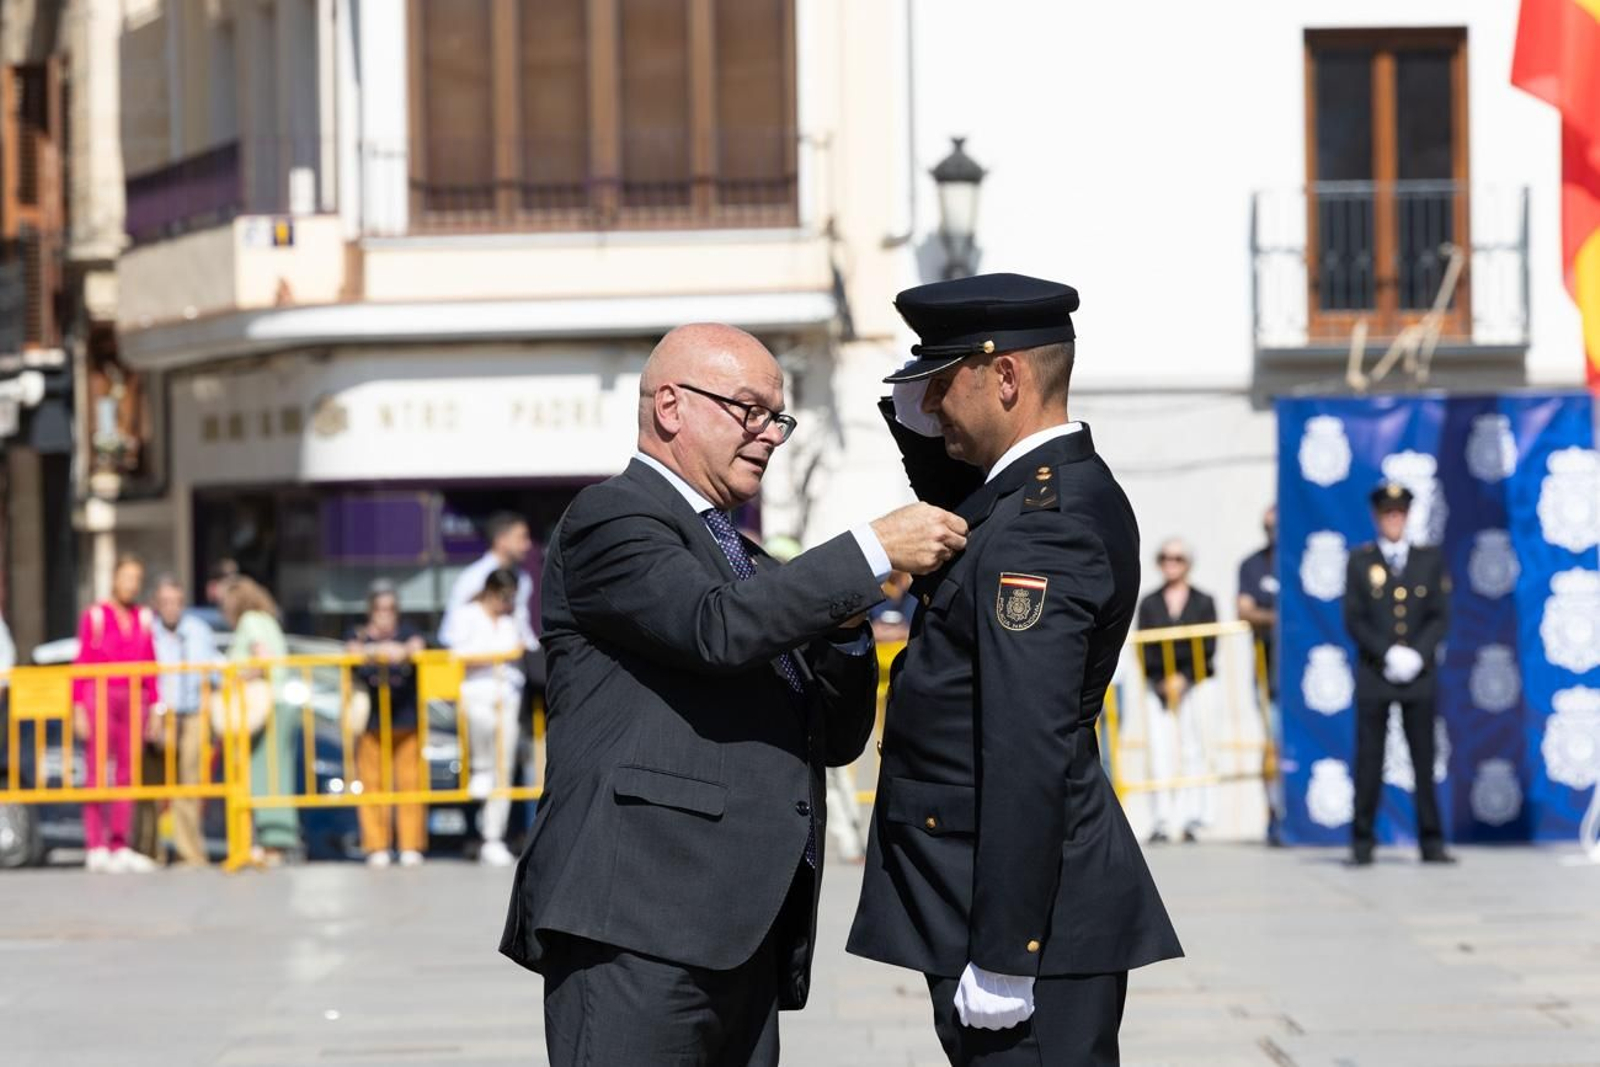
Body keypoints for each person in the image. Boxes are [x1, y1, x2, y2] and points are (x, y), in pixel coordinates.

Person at [499, 321, 967, 1066]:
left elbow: (835, 734)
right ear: (671, 406)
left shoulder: (746, 560)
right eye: (749, 410)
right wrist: (870, 549)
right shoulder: (612, 517)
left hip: (740, 931)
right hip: (637, 924)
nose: (769, 434)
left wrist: (848, 622)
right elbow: (714, 628)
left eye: (778, 417)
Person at [848, 273, 1182, 1066]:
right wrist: (917, 410)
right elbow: (959, 497)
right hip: (992, 895)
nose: (931, 405)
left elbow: (1027, 741)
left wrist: (1006, 951)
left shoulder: (1042, 527)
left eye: (942, 382)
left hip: (1022, 922)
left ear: (1005, 376)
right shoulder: (1030, 495)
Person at [1343, 481, 1454, 866]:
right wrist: (1387, 652)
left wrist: (1417, 655)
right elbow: (1354, 618)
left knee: (1423, 760)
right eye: (1387, 513)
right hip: (1376, 673)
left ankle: (1431, 842)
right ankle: (1362, 842)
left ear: (1407, 516)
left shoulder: (1428, 559)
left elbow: (1439, 615)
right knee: (1369, 760)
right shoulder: (1360, 561)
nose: (1394, 519)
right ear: (1378, 517)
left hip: (1418, 676)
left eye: (1399, 513)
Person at [72, 555, 164, 874]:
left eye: (136, 579)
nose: (131, 585)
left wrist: (156, 708)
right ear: (114, 579)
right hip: (100, 695)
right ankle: (95, 845)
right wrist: (78, 706)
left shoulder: (144, 618)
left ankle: (120, 843)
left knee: (128, 771)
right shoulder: (96, 616)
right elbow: (82, 662)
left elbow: (151, 664)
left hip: (134, 698)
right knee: (97, 768)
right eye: (126, 578)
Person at [1137, 538, 1219, 845]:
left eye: (1177, 558)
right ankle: (1161, 818)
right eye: (1165, 558)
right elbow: (1144, 648)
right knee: (1159, 751)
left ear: (1188, 563)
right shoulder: (1150, 602)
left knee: (1194, 748)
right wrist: (1162, 680)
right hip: (1158, 686)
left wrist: (1184, 678)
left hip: (1195, 684)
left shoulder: (1203, 601)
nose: (1170, 563)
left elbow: (1209, 646)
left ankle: (1191, 818)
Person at [346, 580, 429, 868]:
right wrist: (378, 651)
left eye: (390, 609)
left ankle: (410, 845)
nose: (385, 615)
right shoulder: (357, 633)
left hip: (405, 717)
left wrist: (401, 650)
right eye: (380, 609)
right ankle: (376, 845)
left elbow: (418, 645)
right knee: (372, 785)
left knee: (410, 783)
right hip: (371, 721)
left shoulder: (408, 631)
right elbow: (351, 651)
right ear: (371, 611)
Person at [222, 577, 301, 866]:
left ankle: (271, 843)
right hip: (279, 702)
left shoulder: (250, 621)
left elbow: (261, 659)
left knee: (264, 775)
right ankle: (275, 841)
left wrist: (235, 679)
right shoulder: (268, 620)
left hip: (265, 706)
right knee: (278, 774)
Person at [450, 567, 526, 867]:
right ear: (490, 591)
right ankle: (480, 767)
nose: (507, 603)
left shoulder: (511, 618)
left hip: (507, 695)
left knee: (504, 767)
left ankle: (493, 837)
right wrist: (498, 656)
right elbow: (457, 653)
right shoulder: (467, 615)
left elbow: (521, 646)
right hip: (476, 693)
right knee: (481, 730)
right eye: (504, 596)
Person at [151, 575, 222, 867]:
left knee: (188, 784)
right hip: (161, 715)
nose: (171, 607)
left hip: (192, 714)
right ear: (157, 604)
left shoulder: (198, 630)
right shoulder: (149, 633)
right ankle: (152, 850)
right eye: (165, 602)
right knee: (155, 785)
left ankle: (189, 852)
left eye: (176, 602)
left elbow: (215, 672)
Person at [1237, 504, 1284, 845]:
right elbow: (1245, 609)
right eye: (1268, 527)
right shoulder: (1253, 565)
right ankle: (1275, 814)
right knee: (1273, 744)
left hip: (1303, 674)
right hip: (1269, 671)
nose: (1274, 533)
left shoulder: (1299, 557)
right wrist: (1282, 619)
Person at [439, 512, 537, 654]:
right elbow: (450, 634)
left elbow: (522, 624)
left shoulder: (524, 578)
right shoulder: (472, 578)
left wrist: (533, 649)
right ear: (501, 540)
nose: (527, 545)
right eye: (521, 538)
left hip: (515, 663)